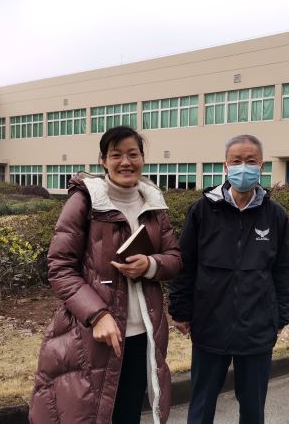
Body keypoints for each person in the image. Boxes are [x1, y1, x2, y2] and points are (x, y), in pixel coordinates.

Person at [30, 125, 182, 424]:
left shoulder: (154, 204)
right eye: (116, 155)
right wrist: (97, 315)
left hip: (142, 334)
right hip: (94, 334)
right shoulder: (85, 201)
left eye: (133, 154)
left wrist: (150, 264)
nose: (126, 162)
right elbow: (60, 267)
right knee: (88, 414)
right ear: (103, 161)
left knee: (127, 413)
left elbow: (175, 258)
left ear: (142, 158)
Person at [169, 134, 289, 424]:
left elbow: (282, 269)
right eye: (236, 161)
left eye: (250, 161)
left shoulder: (275, 215)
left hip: (257, 328)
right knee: (201, 406)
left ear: (262, 166)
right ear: (225, 166)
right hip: (209, 324)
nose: (243, 167)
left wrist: (281, 316)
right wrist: (180, 310)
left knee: (253, 409)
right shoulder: (202, 210)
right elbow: (186, 264)